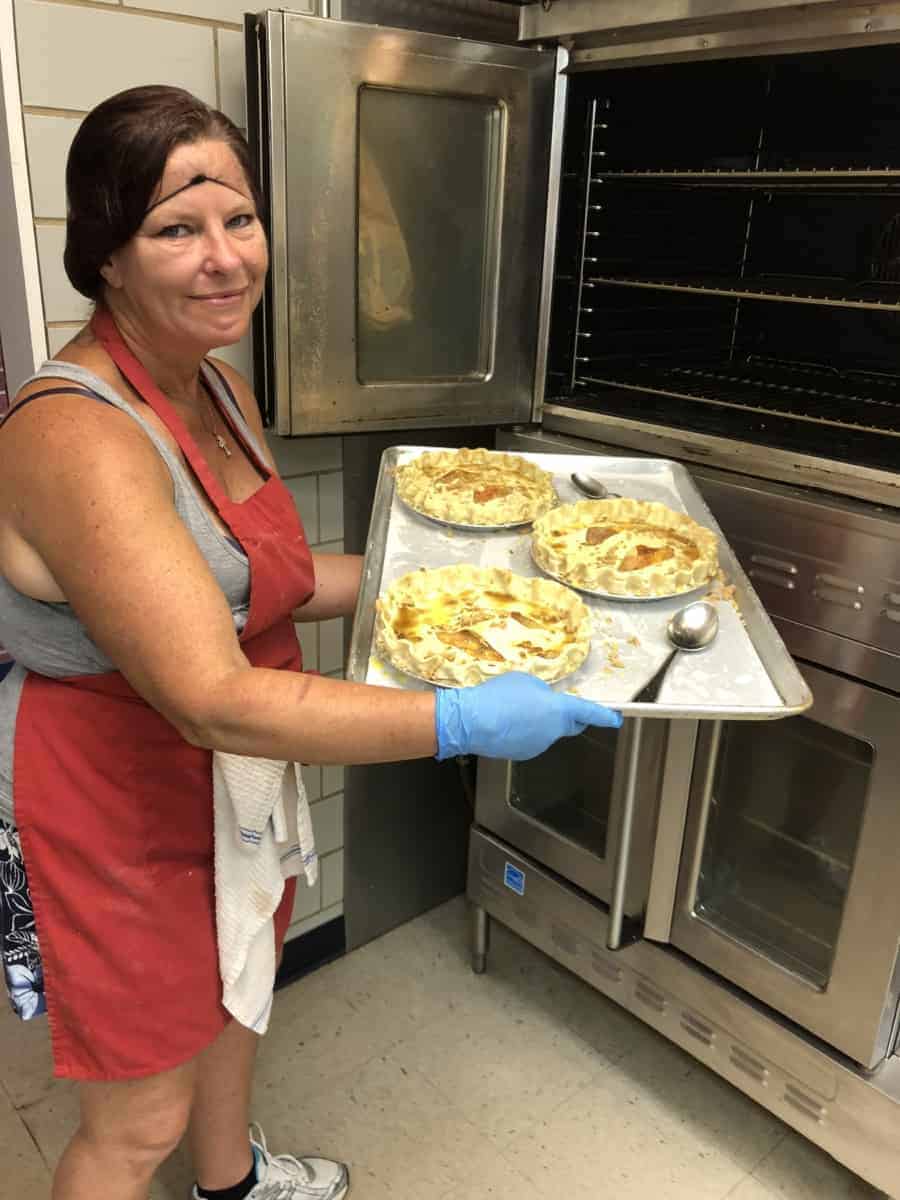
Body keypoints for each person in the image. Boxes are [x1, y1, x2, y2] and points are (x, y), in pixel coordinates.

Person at [0, 85, 621, 1200]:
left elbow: (270, 584)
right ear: (106, 257)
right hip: (116, 794)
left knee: (241, 990)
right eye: (176, 229)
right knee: (138, 1118)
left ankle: (234, 1184)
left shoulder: (219, 388)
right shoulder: (77, 435)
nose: (225, 258)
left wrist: (462, 587)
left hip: (236, 776)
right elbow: (209, 693)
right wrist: (457, 719)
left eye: (239, 219)